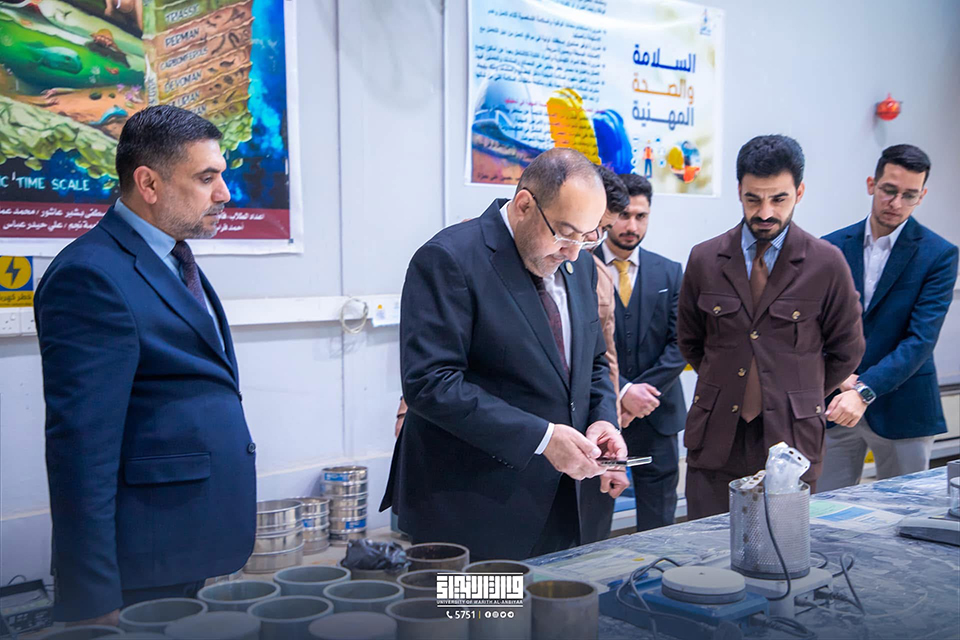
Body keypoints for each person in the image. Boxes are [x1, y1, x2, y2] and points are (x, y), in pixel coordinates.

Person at [34, 105, 256, 624]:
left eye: (221, 176)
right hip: (142, 561)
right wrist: (93, 596)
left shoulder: (171, 258)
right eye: (206, 178)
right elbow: (80, 450)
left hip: (188, 541)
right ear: (148, 183)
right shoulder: (91, 275)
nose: (225, 194)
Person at [381, 148, 628, 560]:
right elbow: (431, 384)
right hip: (474, 508)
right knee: (482, 602)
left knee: (553, 601)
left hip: (565, 505)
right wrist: (543, 438)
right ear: (525, 204)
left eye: (588, 237)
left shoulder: (579, 266)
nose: (572, 251)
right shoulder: (450, 259)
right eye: (565, 233)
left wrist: (603, 419)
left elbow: (594, 363)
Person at [676, 134, 865, 519]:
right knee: (704, 544)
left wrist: (800, 392)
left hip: (791, 438)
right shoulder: (705, 258)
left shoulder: (826, 263)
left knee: (784, 545)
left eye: (779, 199)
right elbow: (690, 340)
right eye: (753, 199)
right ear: (739, 192)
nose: (765, 212)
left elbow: (847, 350)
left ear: (799, 192)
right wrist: (726, 378)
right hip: (716, 435)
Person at [819, 145, 959, 490]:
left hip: (904, 406)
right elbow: (814, 326)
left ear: (921, 196)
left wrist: (863, 390)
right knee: (824, 509)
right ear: (872, 184)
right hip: (835, 402)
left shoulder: (939, 255)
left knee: (906, 512)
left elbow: (920, 341)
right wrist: (841, 378)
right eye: (889, 190)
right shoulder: (830, 247)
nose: (896, 203)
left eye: (909, 195)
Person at [596, 173, 686, 531]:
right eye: (624, 215)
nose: (632, 226)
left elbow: (681, 343)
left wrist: (639, 395)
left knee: (660, 522)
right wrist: (622, 392)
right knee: (595, 515)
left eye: (641, 216)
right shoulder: (580, 267)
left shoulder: (670, 272)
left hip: (657, 415)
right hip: (601, 417)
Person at [577, 165, 629, 544]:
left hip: (589, 430)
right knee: (498, 575)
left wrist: (612, 431)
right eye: (592, 225)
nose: (595, 238)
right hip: (530, 436)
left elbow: (605, 360)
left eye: (604, 229)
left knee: (588, 548)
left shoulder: (595, 273)